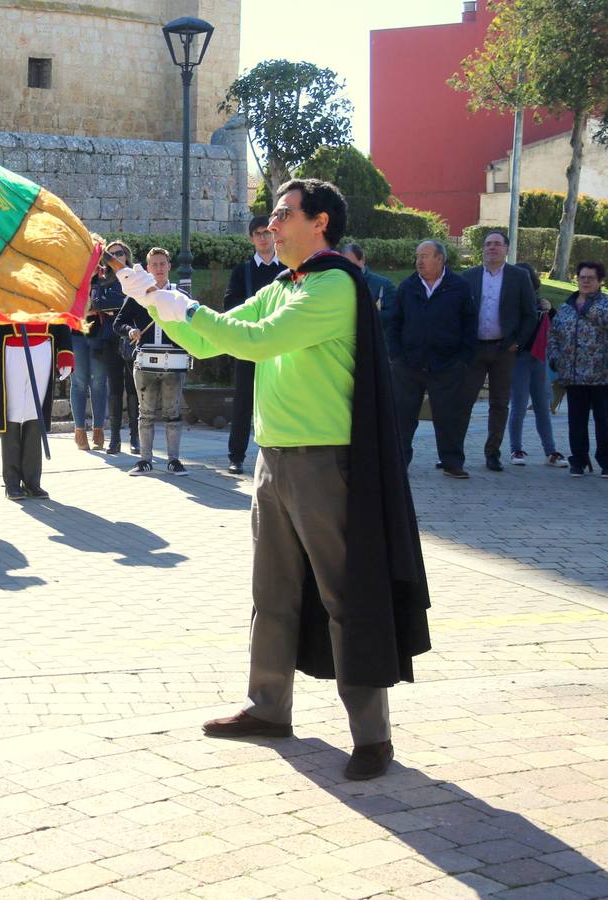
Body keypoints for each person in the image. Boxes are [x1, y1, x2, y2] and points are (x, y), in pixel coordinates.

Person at [118, 178, 431, 781]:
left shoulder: (334, 284)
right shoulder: (286, 285)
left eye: (284, 214)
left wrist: (174, 300)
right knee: (273, 594)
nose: (272, 225)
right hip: (275, 456)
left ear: (320, 224)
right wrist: (152, 296)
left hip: (323, 461)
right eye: (272, 215)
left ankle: (372, 736)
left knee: (346, 597)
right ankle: (269, 709)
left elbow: (254, 342)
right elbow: (212, 337)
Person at [385, 240, 478, 478]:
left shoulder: (459, 286)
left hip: (447, 365)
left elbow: (470, 324)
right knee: (403, 417)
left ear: (440, 259)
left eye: (425, 256)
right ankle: (399, 462)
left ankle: (452, 462)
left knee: (449, 417)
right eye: (417, 256)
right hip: (408, 365)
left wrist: (462, 360)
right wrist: (396, 356)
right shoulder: (408, 286)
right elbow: (394, 324)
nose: (419, 261)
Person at [459, 230, 538, 471]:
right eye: (487, 244)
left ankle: (493, 452)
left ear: (506, 249)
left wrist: (519, 342)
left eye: (496, 244)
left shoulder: (518, 277)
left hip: (504, 349)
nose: (491, 248)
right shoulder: (468, 277)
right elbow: (457, 312)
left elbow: (529, 314)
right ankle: (452, 453)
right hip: (474, 349)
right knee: (463, 402)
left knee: (500, 403)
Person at [0, 312, 72, 499]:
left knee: (34, 413)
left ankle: (32, 481)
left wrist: (65, 351)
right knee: (12, 412)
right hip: (11, 346)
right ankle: (12, 481)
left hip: (44, 346)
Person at [116, 247, 192, 477]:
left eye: (162, 264)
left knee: (173, 412)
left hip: (174, 360)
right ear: (148, 268)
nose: (158, 268)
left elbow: (192, 322)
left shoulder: (180, 295)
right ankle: (145, 460)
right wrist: (130, 331)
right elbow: (118, 323)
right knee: (145, 413)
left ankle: (174, 460)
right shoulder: (139, 295)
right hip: (145, 360)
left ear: (169, 266)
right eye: (154, 265)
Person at [223, 216, 287, 474]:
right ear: (251, 238)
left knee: (282, 399)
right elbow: (230, 304)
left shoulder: (288, 270)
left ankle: (281, 456)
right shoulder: (243, 271)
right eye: (258, 233)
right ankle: (236, 456)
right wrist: (256, 312)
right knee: (243, 401)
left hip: (281, 344)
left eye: (267, 233)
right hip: (249, 343)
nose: (263, 237)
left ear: (274, 235)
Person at [548, 261, 608, 478]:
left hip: (603, 376)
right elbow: (554, 335)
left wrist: (588, 307)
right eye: (582, 277)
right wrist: (555, 357)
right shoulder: (566, 307)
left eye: (591, 278)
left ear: (600, 281)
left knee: (604, 423)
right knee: (576, 422)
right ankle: (578, 460)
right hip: (573, 375)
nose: (586, 281)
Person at [508, 263, 567, 467]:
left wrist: (550, 309)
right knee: (519, 405)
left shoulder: (540, 303)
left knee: (543, 406)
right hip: (520, 359)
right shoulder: (511, 303)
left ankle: (550, 451)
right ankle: (516, 449)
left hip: (538, 359)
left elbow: (558, 325)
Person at [99, 241, 138, 455]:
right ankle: (114, 437)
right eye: (111, 254)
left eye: (119, 253)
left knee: (133, 387)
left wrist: (116, 304)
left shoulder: (134, 276)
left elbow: (140, 301)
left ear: (126, 255)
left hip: (131, 336)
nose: (115, 256)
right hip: (109, 338)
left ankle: (135, 437)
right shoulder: (103, 278)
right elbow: (98, 303)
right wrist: (124, 301)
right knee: (114, 388)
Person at [71, 269, 112, 451]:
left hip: (99, 335)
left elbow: (112, 304)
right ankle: (79, 429)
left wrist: (96, 306)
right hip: (76, 333)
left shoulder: (105, 278)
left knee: (99, 382)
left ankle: (99, 429)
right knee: (79, 382)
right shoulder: (73, 275)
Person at [340, 242, 396, 311]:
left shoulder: (385, 285)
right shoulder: (338, 285)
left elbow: (393, 316)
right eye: (344, 266)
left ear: (363, 259)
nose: (348, 270)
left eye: (352, 265)